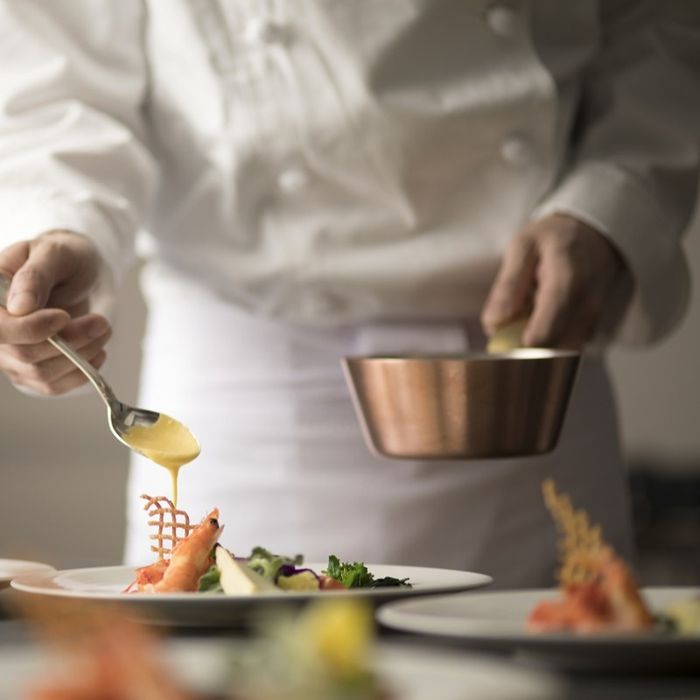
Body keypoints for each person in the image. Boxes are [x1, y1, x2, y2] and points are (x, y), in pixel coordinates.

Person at [0, 1, 698, 587]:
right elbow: (59, 71)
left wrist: (612, 205)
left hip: (525, 385)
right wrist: (60, 220)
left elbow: (664, 24)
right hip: (247, 401)